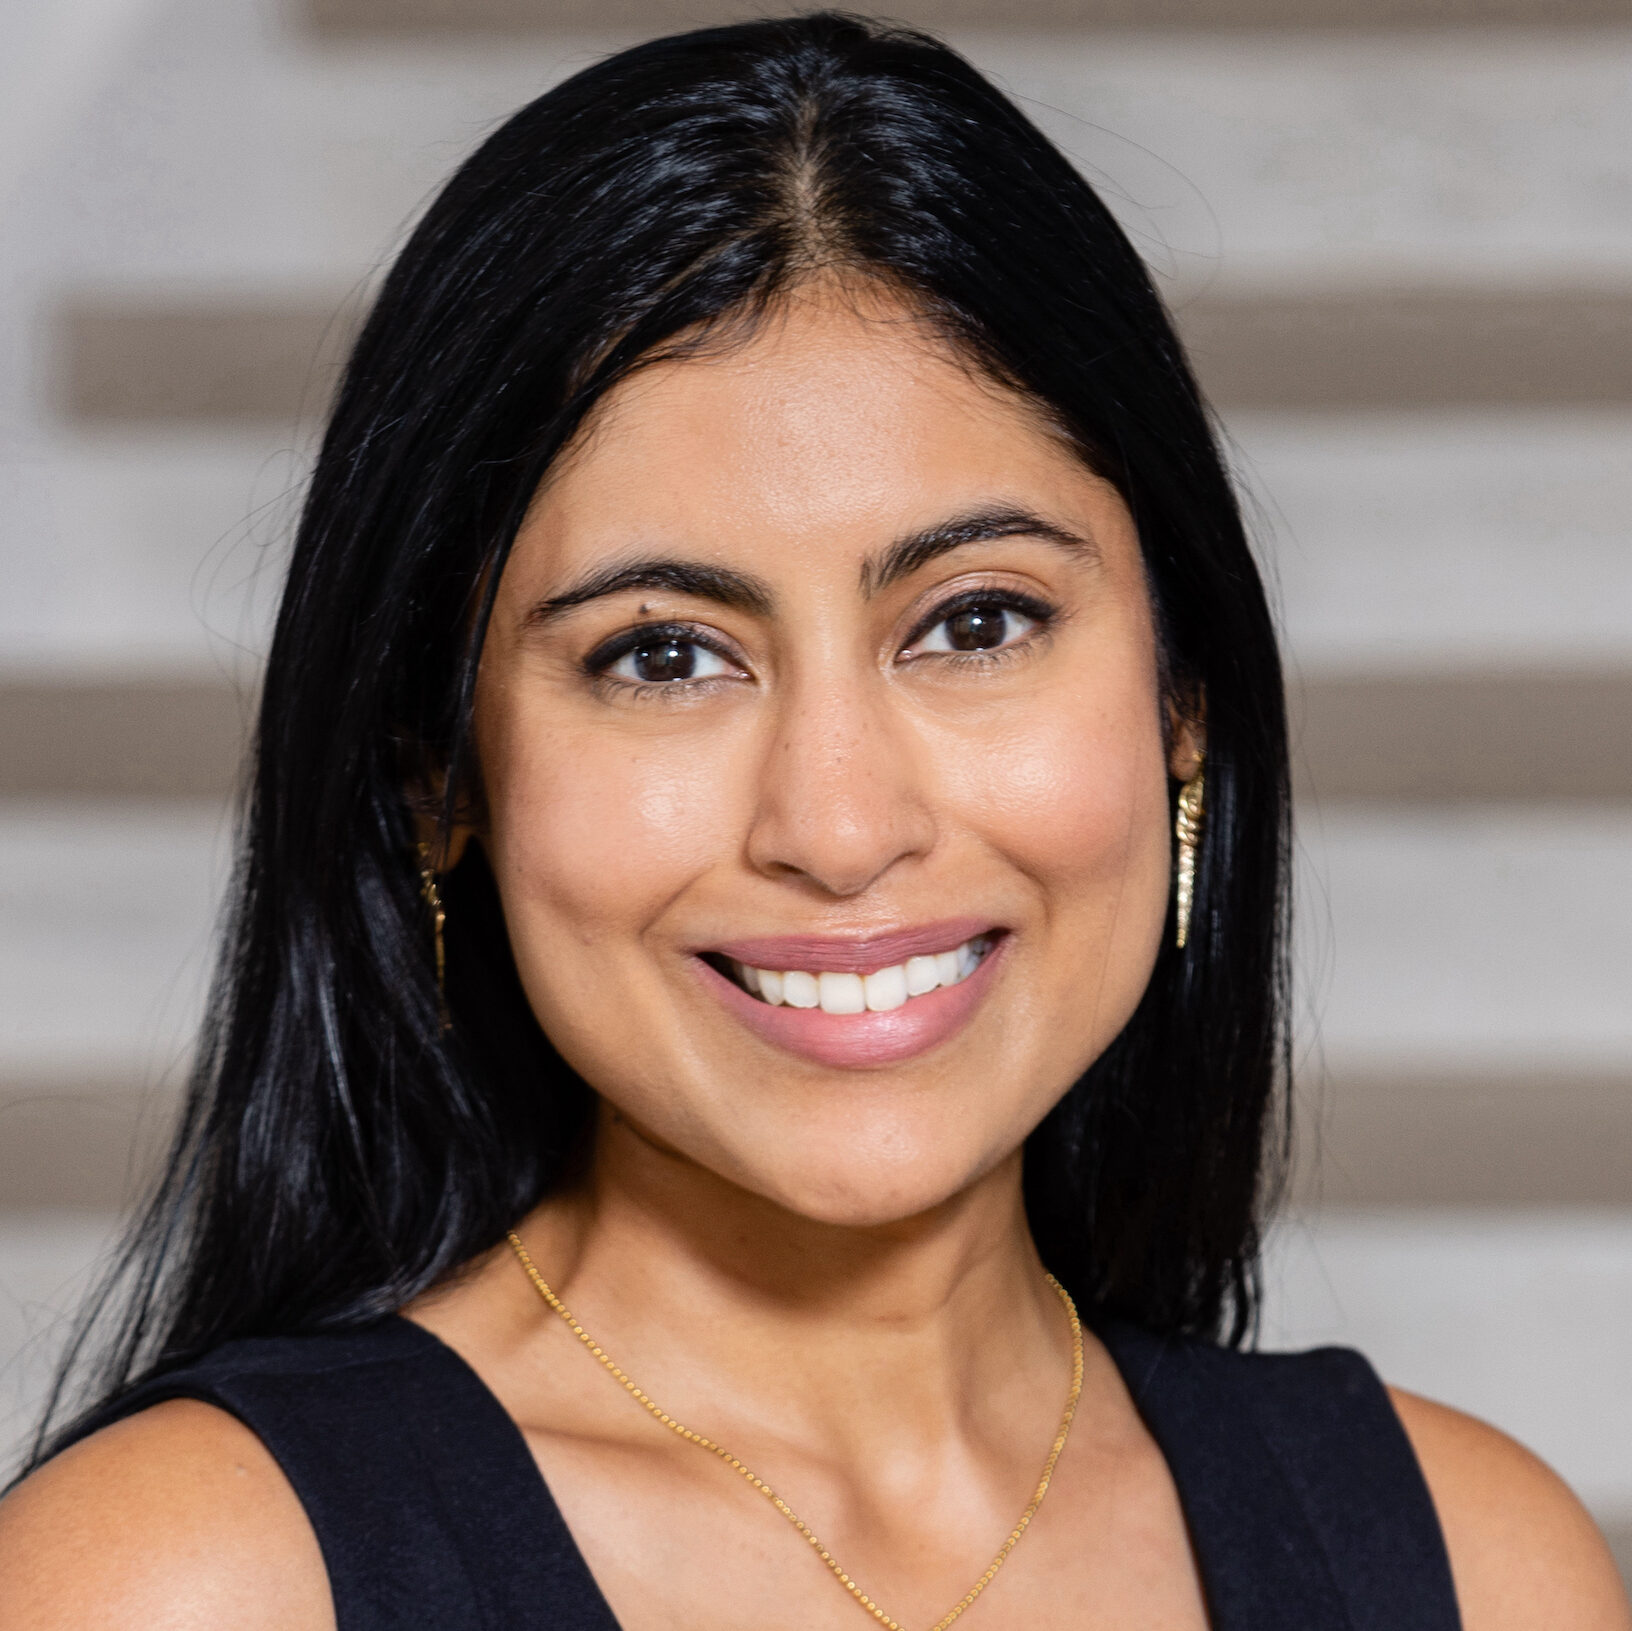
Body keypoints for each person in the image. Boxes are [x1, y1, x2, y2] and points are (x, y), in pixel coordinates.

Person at [0, 13, 1624, 1629]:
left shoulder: (1474, 1570)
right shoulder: (188, 1582)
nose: (838, 827)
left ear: (1180, 703)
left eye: (975, 624)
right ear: (444, 782)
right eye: (664, 654)